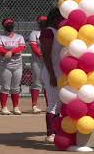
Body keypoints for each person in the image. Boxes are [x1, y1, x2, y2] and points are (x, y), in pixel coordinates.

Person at [39, 8, 64, 143]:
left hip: (59, 72)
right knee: (53, 103)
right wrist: (52, 75)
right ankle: (50, 133)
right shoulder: (48, 31)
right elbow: (46, 56)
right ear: (55, 18)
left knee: (60, 104)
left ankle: (56, 131)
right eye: (61, 18)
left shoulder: (60, 32)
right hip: (51, 71)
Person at [0, 18, 26, 115]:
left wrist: (10, 52)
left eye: (11, 24)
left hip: (17, 65)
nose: (10, 25)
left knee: (15, 87)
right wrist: (6, 52)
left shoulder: (19, 37)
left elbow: (21, 47)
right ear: (4, 26)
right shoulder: (0, 37)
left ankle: (16, 107)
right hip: (5, 65)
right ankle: (4, 107)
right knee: (5, 87)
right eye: (7, 24)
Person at [29, 15, 48, 114]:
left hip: (48, 61)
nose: (43, 23)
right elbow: (34, 46)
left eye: (45, 21)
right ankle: (34, 105)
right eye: (41, 21)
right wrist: (42, 55)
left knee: (48, 83)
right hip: (38, 61)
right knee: (36, 82)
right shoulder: (35, 33)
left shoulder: (50, 32)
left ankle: (49, 105)